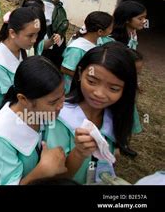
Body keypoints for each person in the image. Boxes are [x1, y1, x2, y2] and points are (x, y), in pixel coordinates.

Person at [46, 43, 137, 184]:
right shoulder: (59, 118)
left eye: (113, 88)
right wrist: (78, 153)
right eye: (92, 81)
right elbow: (53, 179)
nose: (99, 94)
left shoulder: (114, 117)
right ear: (80, 73)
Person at [0, 56, 67, 185]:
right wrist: (42, 170)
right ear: (24, 99)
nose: (61, 105)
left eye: (63, 95)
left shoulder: (43, 113)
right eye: (53, 102)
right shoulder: (0, 137)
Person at [0, 7, 40, 121]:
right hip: (2, 118)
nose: (34, 40)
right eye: (30, 35)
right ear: (12, 33)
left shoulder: (23, 49)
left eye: (36, 34)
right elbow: (8, 99)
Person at [61, 12, 113, 94]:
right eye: (110, 28)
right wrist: (87, 77)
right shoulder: (77, 48)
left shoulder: (99, 41)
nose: (112, 30)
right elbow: (65, 69)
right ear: (100, 32)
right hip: (72, 88)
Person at [42, 0, 69, 69]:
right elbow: (44, 27)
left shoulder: (57, 1)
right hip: (51, 45)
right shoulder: (45, 5)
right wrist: (48, 44)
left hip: (59, 39)